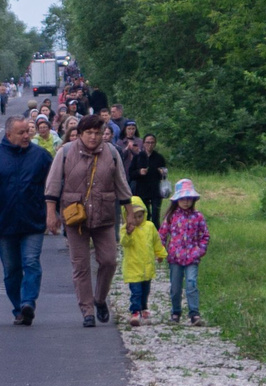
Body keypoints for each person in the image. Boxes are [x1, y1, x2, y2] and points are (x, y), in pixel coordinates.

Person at [44, 113, 131, 328]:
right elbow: (53, 185)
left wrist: (129, 213)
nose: (93, 137)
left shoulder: (112, 153)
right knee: (81, 265)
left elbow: (121, 185)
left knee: (109, 261)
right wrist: (51, 214)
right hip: (75, 218)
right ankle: (87, 311)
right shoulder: (65, 152)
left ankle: (100, 299)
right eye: (89, 133)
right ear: (80, 134)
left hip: (104, 216)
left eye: (97, 133)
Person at [0, 113, 53, 324]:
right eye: (21, 132)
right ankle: (18, 308)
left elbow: (54, 184)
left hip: (33, 220)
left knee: (31, 262)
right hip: (4, 222)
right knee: (11, 269)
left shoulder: (41, 156)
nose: (26, 136)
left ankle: (28, 302)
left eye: (28, 131)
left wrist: (54, 211)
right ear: (8, 135)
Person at [163, 180, 209, 324]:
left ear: (193, 200)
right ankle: (176, 312)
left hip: (192, 257)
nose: (186, 202)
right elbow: (162, 234)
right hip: (175, 257)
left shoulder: (198, 216)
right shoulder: (171, 216)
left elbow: (205, 235)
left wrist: (200, 250)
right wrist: (160, 251)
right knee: (175, 286)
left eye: (189, 198)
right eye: (182, 198)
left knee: (191, 283)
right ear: (177, 200)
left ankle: (194, 313)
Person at [120, 196, 165, 326]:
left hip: (147, 267)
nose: (137, 219)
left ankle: (144, 308)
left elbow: (156, 241)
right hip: (133, 267)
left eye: (140, 216)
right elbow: (125, 243)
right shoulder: (126, 229)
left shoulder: (149, 226)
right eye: (134, 217)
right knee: (136, 292)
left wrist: (160, 253)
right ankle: (135, 311)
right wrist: (128, 233)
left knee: (145, 291)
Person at [124, 131, 170, 224]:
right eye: (148, 142)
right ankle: (145, 230)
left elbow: (164, 175)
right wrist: (139, 172)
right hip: (142, 189)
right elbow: (131, 174)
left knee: (155, 214)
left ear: (155, 144)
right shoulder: (138, 157)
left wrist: (162, 172)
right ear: (144, 143)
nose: (150, 145)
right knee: (145, 214)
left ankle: (156, 231)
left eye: (152, 142)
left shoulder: (159, 158)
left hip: (155, 190)